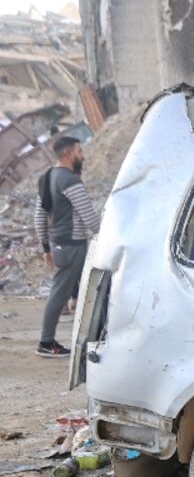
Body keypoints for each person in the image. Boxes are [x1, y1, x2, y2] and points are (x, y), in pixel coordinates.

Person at [34, 136, 100, 357]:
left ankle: (92, 337)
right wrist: (110, 235)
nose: (83, 155)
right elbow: (90, 218)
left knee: (79, 292)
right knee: (60, 294)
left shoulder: (46, 178)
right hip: (73, 246)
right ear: (69, 154)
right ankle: (46, 342)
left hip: (60, 245)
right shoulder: (71, 181)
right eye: (80, 151)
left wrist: (46, 247)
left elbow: (39, 216)